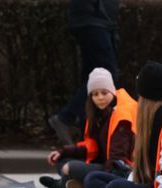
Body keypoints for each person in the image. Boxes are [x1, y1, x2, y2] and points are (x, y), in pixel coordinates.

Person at [40, 68, 136, 188]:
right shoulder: (97, 114)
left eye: (104, 93)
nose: (100, 98)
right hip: (100, 163)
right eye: (95, 94)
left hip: (116, 169)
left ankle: (64, 184)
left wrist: (101, 178)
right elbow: (90, 148)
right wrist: (63, 152)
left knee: (69, 168)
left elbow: (117, 159)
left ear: (112, 92)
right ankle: (79, 184)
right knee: (61, 161)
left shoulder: (121, 116)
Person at [49, 0, 121, 146]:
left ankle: (87, 135)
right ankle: (67, 117)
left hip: (95, 18)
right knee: (107, 75)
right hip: (95, 17)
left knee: (92, 77)